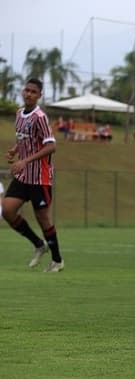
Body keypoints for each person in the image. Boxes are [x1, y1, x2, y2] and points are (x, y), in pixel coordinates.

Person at [2, 78, 65, 272]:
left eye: (33, 91)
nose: (28, 93)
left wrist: (25, 161)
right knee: (7, 210)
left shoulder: (40, 117)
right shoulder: (20, 113)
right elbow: (25, 138)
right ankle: (39, 244)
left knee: (43, 219)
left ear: (39, 95)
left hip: (40, 177)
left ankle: (57, 260)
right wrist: (15, 150)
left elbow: (51, 146)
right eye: (27, 90)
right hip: (23, 176)